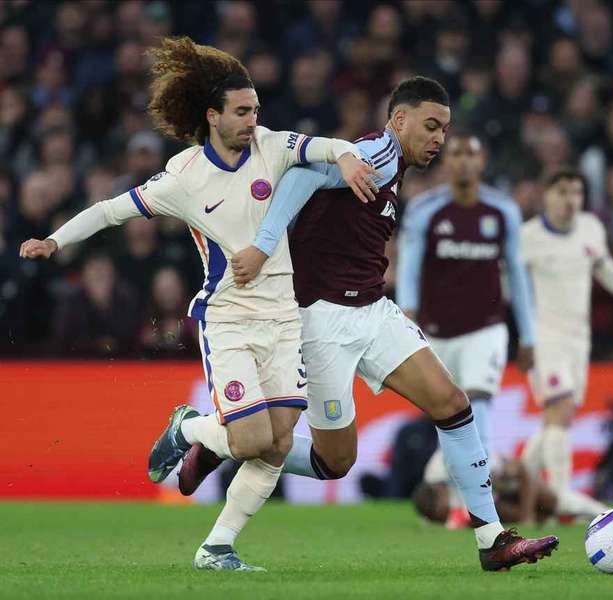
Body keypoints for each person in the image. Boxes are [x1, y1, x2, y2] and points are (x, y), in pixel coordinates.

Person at [20, 36, 376, 572]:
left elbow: (327, 146)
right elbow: (112, 210)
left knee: (278, 444)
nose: (252, 121)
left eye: (255, 110)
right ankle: (186, 428)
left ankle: (217, 547)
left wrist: (346, 158)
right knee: (250, 438)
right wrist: (55, 240)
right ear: (213, 116)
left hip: (284, 317)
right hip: (228, 318)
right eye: (241, 112)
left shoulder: (272, 146)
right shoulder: (184, 176)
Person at [181, 76, 559, 572]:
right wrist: (264, 244)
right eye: (431, 126)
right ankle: (211, 435)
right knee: (334, 461)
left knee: (452, 404)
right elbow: (302, 176)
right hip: (320, 322)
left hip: (374, 311)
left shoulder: (394, 166)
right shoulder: (375, 153)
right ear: (399, 120)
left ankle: (493, 540)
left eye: (444, 129)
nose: (439, 139)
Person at [395, 133, 535, 528]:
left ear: (481, 161)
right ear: (445, 162)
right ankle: (457, 498)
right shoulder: (425, 209)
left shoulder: (503, 210)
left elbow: (517, 274)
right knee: (449, 415)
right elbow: (409, 267)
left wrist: (529, 336)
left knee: (479, 403)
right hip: (436, 332)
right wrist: (406, 316)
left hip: (485, 329)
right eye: (455, 154)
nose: (463, 162)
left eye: (470, 154)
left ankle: (479, 506)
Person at [519, 168, 613, 505]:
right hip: (545, 336)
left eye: (577, 192)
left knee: (556, 420)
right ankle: (560, 496)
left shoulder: (591, 228)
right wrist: (523, 336)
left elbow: (605, 268)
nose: (570, 200)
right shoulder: (528, 236)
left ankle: (517, 485)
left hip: (579, 340)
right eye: (562, 192)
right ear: (546, 195)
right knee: (561, 409)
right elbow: (508, 283)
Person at [414, 454, 613, 527]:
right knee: (496, 509)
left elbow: (521, 471)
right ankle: (558, 518)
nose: (446, 513)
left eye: (443, 511)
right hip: (498, 498)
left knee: (550, 499)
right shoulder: (433, 481)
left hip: (513, 483)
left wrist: (527, 517)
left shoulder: (467, 464)